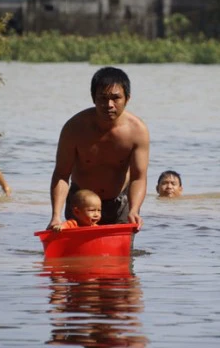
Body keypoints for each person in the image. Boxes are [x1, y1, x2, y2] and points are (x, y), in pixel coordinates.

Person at [47, 67, 149, 230]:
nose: (109, 105)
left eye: (116, 98)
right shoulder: (74, 128)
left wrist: (135, 210)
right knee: (76, 255)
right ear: (93, 98)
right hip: (81, 205)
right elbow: (61, 174)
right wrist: (56, 216)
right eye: (102, 98)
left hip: (119, 205)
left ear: (127, 99)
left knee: (123, 255)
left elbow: (139, 177)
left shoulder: (137, 131)